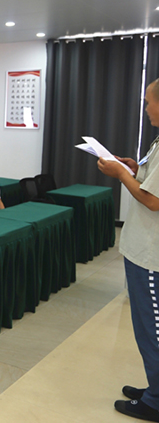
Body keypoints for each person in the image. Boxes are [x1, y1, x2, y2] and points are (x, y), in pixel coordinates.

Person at [98, 79, 159, 421]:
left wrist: (122, 175)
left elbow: (152, 200)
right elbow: (151, 181)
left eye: (149, 102)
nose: (146, 108)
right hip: (143, 251)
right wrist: (134, 169)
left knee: (153, 328)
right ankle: (155, 388)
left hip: (152, 256)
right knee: (146, 326)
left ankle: (156, 400)